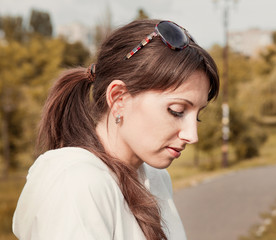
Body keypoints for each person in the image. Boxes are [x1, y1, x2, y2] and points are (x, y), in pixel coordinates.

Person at [13, 19, 219, 240]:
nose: (192, 135)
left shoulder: (155, 178)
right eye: (177, 111)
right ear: (119, 98)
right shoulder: (78, 183)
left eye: (197, 116)